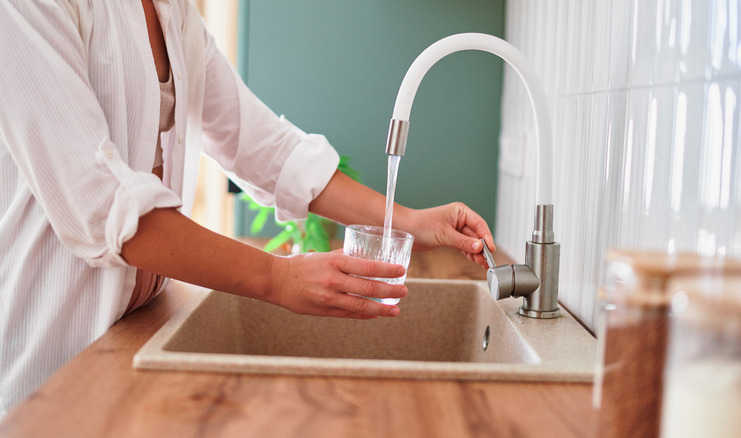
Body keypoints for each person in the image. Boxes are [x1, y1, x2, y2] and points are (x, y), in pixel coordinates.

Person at [0, 0, 495, 418]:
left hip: (137, 335)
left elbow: (263, 147)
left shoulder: (175, 14)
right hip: (52, 365)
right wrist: (277, 278)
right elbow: (102, 202)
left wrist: (410, 221)